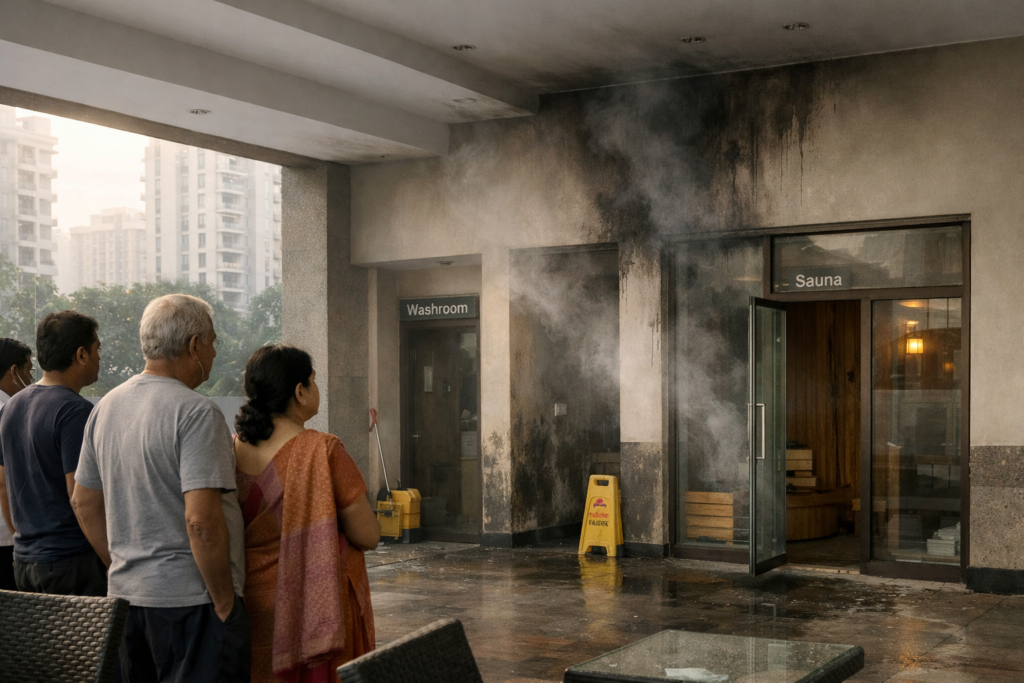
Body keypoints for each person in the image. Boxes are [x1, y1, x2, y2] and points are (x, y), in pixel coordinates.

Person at [72, 294, 250, 682]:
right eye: (213, 341)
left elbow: (83, 502)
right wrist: (224, 603)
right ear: (194, 345)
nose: (214, 352)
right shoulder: (196, 412)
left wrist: (123, 567)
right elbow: (201, 520)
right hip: (191, 604)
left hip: (125, 601)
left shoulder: (106, 407)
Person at [233, 344, 379, 682]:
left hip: (251, 599)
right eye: (313, 381)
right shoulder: (323, 450)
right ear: (300, 392)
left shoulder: (230, 448)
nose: (316, 389)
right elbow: (368, 535)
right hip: (314, 604)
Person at [0, 313, 105, 596]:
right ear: (81, 355)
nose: (99, 358)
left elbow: (3, 485)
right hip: (71, 563)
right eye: (97, 349)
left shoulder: (11, 407)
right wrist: (111, 561)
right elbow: (81, 498)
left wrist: (24, 542)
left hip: (25, 562)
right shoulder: (74, 410)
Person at [0, 337, 34, 591]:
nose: (31, 379)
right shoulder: (8, 412)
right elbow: (3, 484)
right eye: (29, 370)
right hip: (6, 537)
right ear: (14, 371)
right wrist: (18, 538)